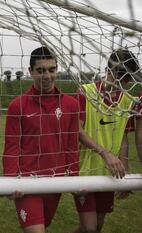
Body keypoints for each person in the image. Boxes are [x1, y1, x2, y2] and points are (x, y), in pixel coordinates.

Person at [3, 46, 80, 233]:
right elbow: (12, 146)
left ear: (57, 70)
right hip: (27, 182)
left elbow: (71, 146)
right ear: (30, 72)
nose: (47, 76)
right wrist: (11, 180)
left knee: (43, 226)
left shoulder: (71, 104)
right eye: (41, 71)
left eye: (52, 70)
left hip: (56, 182)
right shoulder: (17, 105)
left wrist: (74, 178)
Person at [73, 49, 139, 233]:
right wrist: (104, 152)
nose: (121, 83)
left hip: (109, 173)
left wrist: (124, 173)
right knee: (90, 227)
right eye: (117, 76)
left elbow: (123, 138)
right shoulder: (85, 93)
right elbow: (77, 130)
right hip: (84, 170)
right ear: (107, 70)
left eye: (126, 80)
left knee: (98, 224)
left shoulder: (127, 101)